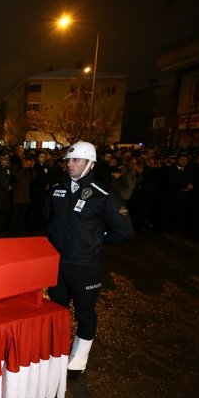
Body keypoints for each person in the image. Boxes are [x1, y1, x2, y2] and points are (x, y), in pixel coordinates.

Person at [45, 141, 133, 379]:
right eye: (68, 160)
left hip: (84, 265)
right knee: (57, 309)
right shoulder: (57, 188)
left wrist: (95, 239)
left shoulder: (103, 195)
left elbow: (124, 231)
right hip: (57, 263)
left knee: (84, 312)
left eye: (75, 160)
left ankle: (79, 358)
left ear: (90, 163)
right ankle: (56, 352)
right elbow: (48, 218)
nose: (70, 164)